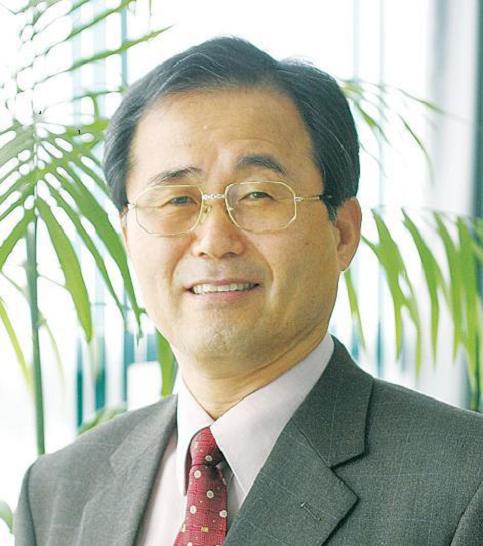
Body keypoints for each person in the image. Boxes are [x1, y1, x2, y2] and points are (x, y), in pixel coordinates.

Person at [14, 36, 483, 546]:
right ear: (128, 237)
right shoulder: (57, 492)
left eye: (259, 194)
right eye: (177, 200)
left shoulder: (464, 484)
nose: (215, 240)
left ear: (342, 232)